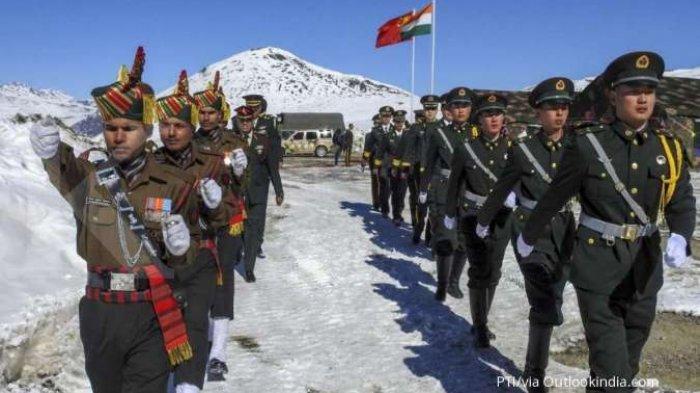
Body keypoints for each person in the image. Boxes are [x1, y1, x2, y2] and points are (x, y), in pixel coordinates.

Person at [517, 51, 695, 391]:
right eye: (632, 89)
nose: (642, 97)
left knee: (623, 364)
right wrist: (529, 233)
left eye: (648, 89)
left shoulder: (668, 147)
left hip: (644, 267)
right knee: (615, 374)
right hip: (598, 269)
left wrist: (681, 235)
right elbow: (555, 196)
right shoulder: (588, 145)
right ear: (613, 95)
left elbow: (681, 200)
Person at [29, 47, 200, 393]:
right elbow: (65, 170)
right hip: (100, 311)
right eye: (110, 127)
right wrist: (51, 152)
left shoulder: (174, 185)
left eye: (128, 127)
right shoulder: (90, 177)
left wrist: (183, 248)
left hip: (151, 309)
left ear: (147, 130)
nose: (117, 136)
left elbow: (187, 256)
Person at [476, 78, 576, 391]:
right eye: (551, 107)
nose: (558, 113)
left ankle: (536, 362)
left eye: (563, 107)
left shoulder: (579, 148)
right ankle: (535, 373)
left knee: (555, 293)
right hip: (529, 230)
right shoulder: (524, 150)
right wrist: (483, 220)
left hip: (565, 229)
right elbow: (502, 187)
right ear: (537, 112)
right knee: (543, 298)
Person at [154, 70, 238, 392]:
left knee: (193, 325)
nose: (171, 132)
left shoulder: (212, 163)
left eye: (179, 125)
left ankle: (191, 384)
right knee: (160, 329)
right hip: (159, 262)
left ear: (192, 128)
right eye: (165, 125)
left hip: (200, 256)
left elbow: (228, 208)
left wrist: (218, 205)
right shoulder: (151, 163)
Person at [440, 93, 514, 348]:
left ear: (503, 117)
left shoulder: (514, 149)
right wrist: (450, 213)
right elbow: (454, 185)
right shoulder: (466, 149)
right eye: (487, 114)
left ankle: (482, 318)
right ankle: (479, 325)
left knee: (494, 272)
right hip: (472, 217)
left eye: (497, 113)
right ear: (478, 119)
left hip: (503, 219)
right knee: (479, 270)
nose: (493, 119)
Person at [191, 71, 249, 382]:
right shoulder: (191, 141)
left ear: (221, 114)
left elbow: (244, 185)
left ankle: (218, 352)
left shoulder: (235, 142)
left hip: (227, 220)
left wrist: (240, 173)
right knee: (198, 279)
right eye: (202, 112)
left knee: (223, 278)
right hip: (198, 220)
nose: (206, 117)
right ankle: (201, 336)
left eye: (211, 112)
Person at [420, 88, 475, 302]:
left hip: (469, 191)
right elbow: (429, 164)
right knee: (445, 238)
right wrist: (424, 189)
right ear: (450, 109)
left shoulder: (476, 133)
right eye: (456, 106)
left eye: (465, 106)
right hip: (444, 190)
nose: (461, 111)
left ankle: (454, 281)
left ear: (470, 109)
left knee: (463, 240)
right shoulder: (439, 134)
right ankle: (442, 284)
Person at [235, 105, 284, 283]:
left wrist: (279, 190)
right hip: (237, 194)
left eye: (248, 120)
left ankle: (249, 268)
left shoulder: (263, 140)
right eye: (242, 121)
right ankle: (239, 250)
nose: (245, 124)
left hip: (258, 193)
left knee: (253, 231)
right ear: (238, 122)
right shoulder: (231, 141)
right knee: (240, 230)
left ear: (253, 121)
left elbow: (272, 167)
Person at [242, 94, 281, 258]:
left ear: (261, 108)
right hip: (242, 176)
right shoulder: (239, 121)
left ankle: (257, 244)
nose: (252, 112)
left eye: (255, 109)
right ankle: (245, 242)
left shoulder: (269, 123)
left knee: (258, 214)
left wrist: (278, 185)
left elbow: (276, 146)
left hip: (261, 176)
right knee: (242, 212)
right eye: (249, 108)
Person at [401, 96, 440, 244]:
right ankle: (418, 229)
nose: (429, 112)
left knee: (435, 206)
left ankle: (431, 236)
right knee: (421, 204)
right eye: (427, 109)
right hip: (419, 171)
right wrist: (406, 167)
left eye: (432, 109)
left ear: (437, 110)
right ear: (423, 110)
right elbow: (409, 149)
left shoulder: (442, 127)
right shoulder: (416, 128)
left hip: (436, 173)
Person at [363, 106, 394, 216]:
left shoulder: (396, 130)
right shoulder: (374, 132)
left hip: (392, 163)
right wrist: (365, 159)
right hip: (379, 162)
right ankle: (383, 207)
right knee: (382, 183)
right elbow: (368, 147)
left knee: (390, 186)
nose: (386, 118)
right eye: (384, 116)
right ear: (381, 117)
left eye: (388, 116)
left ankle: (382, 200)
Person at [381, 110, 409, 225]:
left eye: (401, 121)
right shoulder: (388, 136)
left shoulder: (408, 134)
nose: (399, 124)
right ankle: (396, 215)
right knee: (395, 191)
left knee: (402, 192)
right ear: (394, 121)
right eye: (397, 121)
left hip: (404, 168)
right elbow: (382, 152)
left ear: (404, 122)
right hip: (392, 168)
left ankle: (399, 212)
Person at [362, 113, 382, 209]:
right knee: (376, 182)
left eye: (378, 123)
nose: (377, 124)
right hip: (374, 161)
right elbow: (367, 149)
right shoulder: (369, 135)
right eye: (376, 123)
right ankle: (377, 203)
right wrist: (364, 160)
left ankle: (381, 201)